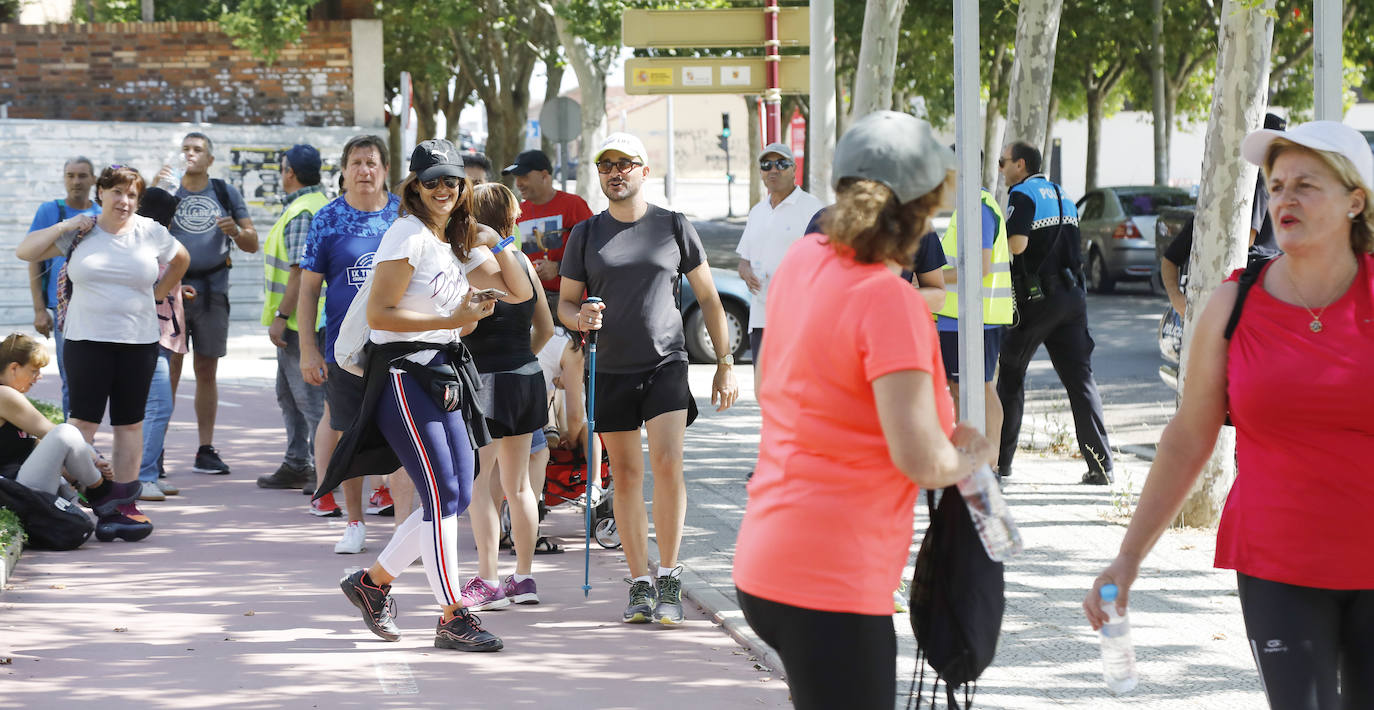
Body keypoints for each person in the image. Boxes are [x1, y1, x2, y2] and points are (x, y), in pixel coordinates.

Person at [1085, 120, 1374, 710]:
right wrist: (1128, 558)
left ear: (1355, 201)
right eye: (1276, 184)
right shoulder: (1231, 304)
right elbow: (1188, 438)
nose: (1284, 198)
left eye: (1306, 185)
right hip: (1279, 562)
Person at [733, 111, 997, 710]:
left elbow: (777, 382)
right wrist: (972, 454)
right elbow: (922, 460)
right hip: (832, 578)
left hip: (767, 557)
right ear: (922, 207)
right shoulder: (888, 300)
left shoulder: (804, 261)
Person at [329, 138, 533, 652]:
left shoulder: (449, 243)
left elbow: (522, 292)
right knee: (443, 494)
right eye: (431, 181)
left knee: (459, 492)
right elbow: (380, 316)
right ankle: (451, 614)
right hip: (404, 374)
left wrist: (498, 240)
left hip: (441, 375)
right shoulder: (407, 234)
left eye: (451, 180)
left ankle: (372, 584)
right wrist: (453, 319)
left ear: (463, 186)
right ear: (414, 188)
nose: (442, 189)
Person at [560, 132, 740, 626]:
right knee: (625, 475)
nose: (615, 171)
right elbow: (565, 303)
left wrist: (724, 362)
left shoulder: (673, 225)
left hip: (666, 362)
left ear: (643, 172)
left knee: (666, 464)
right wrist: (580, 319)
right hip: (611, 367)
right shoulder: (586, 234)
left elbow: (709, 299)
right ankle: (639, 582)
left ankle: (669, 575)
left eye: (625, 163)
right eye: (606, 165)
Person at [16, 165, 191, 541]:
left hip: (138, 341)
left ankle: (124, 502)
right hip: (86, 342)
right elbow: (25, 250)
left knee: (129, 424)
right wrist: (66, 226)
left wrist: (160, 294)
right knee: (82, 425)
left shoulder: (150, 232)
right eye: (116, 193)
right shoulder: (83, 230)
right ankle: (84, 496)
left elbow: (181, 260)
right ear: (101, 194)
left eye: (131, 195)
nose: (124, 201)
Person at [298, 135, 400, 552]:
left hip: (398, 344)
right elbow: (308, 290)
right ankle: (355, 522)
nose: (364, 171)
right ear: (343, 170)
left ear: (385, 170)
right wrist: (308, 348)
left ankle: (407, 525)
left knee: (403, 434)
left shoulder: (403, 215)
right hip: (346, 350)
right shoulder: (327, 219)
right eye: (356, 163)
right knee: (349, 433)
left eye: (372, 163)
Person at [995, 141, 1114, 484]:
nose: (1002, 170)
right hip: (1072, 296)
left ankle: (1001, 463)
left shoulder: (1022, 194)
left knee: (1012, 372)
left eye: (1004, 163)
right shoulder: (1061, 193)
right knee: (1080, 380)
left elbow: (1017, 245)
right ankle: (1101, 466)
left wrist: (994, 243)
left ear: (1021, 164)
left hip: (1037, 300)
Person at [461, 182, 555, 610]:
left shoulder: (470, 264)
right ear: (511, 217)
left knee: (481, 485)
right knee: (519, 488)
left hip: (485, 381)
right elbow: (548, 329)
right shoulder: (524, 265)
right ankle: (524, 577)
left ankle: (488, 579)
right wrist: (524, 360)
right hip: (526, 376)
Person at [166, 131, 259, 476]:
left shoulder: (224, 192)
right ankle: (155, 450)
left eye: (198, 150)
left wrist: (235, 230)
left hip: (213, 289)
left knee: (207, 370)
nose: (191, 154)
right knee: (169, 370)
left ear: (210, 159)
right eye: (186, 149)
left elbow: (252, 243)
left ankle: (205, 448)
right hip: (173, 290)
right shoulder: (167, 190)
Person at [0, 334, 140, 534]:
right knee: (65, 432)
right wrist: (94, 457)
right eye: (34, 370)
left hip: (20, 484)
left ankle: (109, 513)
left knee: (65, 453)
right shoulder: (4, 395)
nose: (38, 376)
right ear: (14, 368)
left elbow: (39, 447)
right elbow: (50, 432)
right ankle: (102, 493)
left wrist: (83, 472)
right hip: (12, 491)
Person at [256, 144, 331, 491]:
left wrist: (281, 315)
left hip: (303, 323)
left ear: (290, 173)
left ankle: (324, 469)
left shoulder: (302, 211)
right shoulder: (312, 204)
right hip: (303, 321)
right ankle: (297, 461)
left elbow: (300, 272)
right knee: (288, 394)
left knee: (310, 400)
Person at [735, 141, 823, 389]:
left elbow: (829, 261)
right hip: (761, 317)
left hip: (799, 317)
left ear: (794, 169)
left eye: (781, 163)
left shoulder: (813, 208)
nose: (773, 170)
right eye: (766, 164)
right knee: (765, 391)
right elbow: (744, 260)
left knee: (799, 390)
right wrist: (746, 272)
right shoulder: (757, 211)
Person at [935, 184, 1012, 440]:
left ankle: (989, 461)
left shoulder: (978, 207)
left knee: (981, 388)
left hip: (976, 319)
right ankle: (968, 460)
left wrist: (931, 278)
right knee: (959, 389)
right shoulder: (967, 206)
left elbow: (981, 267)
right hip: (956, 318)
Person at [25, 157, 99, 419]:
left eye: (82, 176)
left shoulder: (103, 213)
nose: (76, 181)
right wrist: (39, 310)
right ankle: (74, 441)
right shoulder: (50, 212)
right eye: (70, 175)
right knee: (72, 379)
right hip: (64, 309)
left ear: (93, 179)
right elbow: (33, 259)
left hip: (100, 308)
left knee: (99, 380)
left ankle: (88, 441)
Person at [504, 149, 594, 320]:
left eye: (523, 176)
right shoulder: (516, 212)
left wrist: (558, 268)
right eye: (516, 178)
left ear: (544, 175)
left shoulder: (574, 205)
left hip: (569, 302)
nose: (518, 183)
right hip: (531, 301)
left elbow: (593, 252)